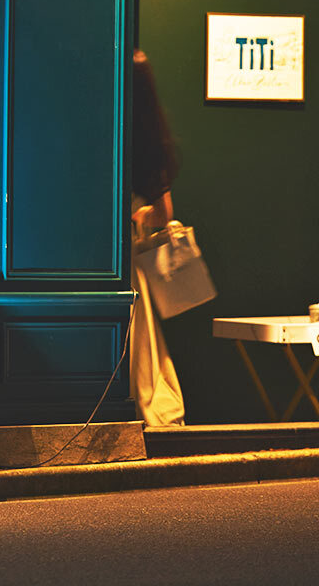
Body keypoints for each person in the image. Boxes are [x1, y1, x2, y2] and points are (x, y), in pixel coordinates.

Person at [129, 48, 186, 426]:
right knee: (144, 351)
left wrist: (134, 216)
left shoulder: (112, 135)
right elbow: (164, 211)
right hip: (132, 261)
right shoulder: (152, 140)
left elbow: (163, 212)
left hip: (116, 259)